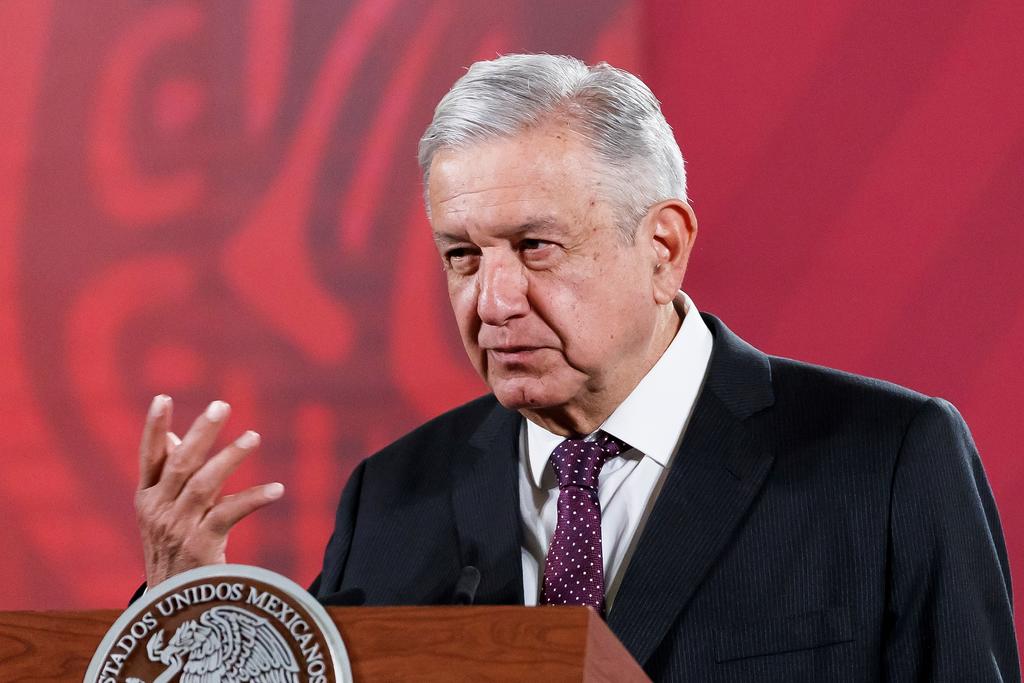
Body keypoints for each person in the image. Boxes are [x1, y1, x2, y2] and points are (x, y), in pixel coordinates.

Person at [134, 54, 1018, 680]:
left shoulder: (885, 461)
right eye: (462, 255)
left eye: (536, 246)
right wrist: (186, 607)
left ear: (662, 246)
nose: (493, 300)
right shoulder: (395, 498)